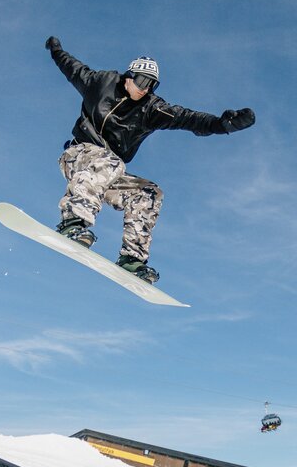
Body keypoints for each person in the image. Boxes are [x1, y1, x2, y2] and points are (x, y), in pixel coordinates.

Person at [45, 36, 256, 284]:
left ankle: (132, 258)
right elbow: (71, 67)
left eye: (152, 85)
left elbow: (186, 118)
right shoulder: (100, 83)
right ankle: (73, 221)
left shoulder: (151, 109)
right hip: (78, 156)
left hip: (108, 173)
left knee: (149, 193)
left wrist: (220, 124)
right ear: (129, 77)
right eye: (142, 81)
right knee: (110, 161)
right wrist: (56, 49)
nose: (145, 89)